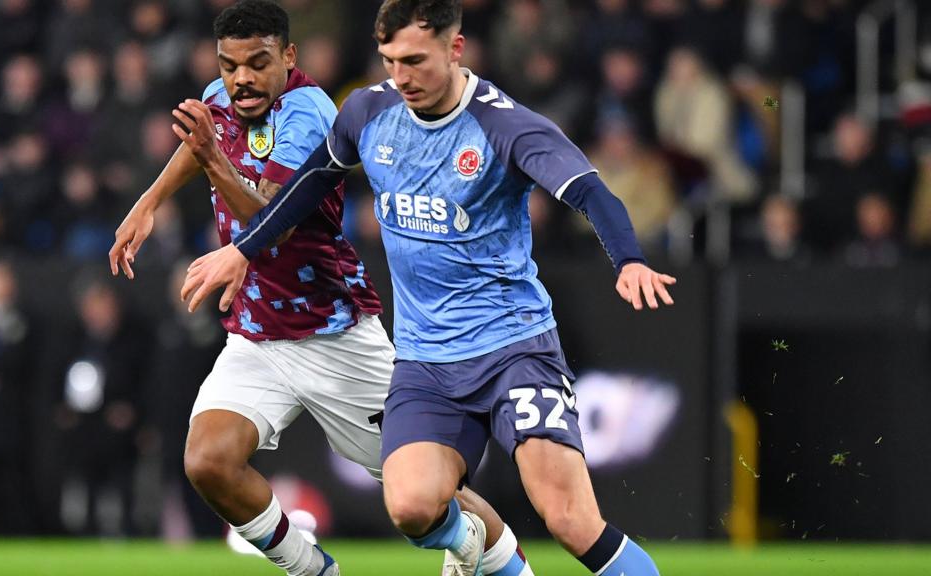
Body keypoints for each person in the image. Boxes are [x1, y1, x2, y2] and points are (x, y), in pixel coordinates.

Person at [180, 1, 676, 575]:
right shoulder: (367, 111)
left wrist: (629, 259)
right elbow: (308, 185)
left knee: (568, 520)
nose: (402, 77)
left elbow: (590, 191)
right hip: (426, 363)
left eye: (415, 60)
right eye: (390, 60)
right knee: (413, 508)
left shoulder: (503, 123)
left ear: (455, 48)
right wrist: (240, 251)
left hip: (514, 350)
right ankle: (491, 562)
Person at [109, 2, 532, 575]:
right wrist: (148, 203)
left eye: (257, 63)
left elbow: (272, 218)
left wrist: (213, 158)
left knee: (428, 493)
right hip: (258, 334)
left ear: (288, 56)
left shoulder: (308, 113)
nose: (242, 79)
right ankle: (313, 570)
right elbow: (201, 138)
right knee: (208, 461)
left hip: (334, 334)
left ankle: (505, 566)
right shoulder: (221, 97)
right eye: (230, 65)